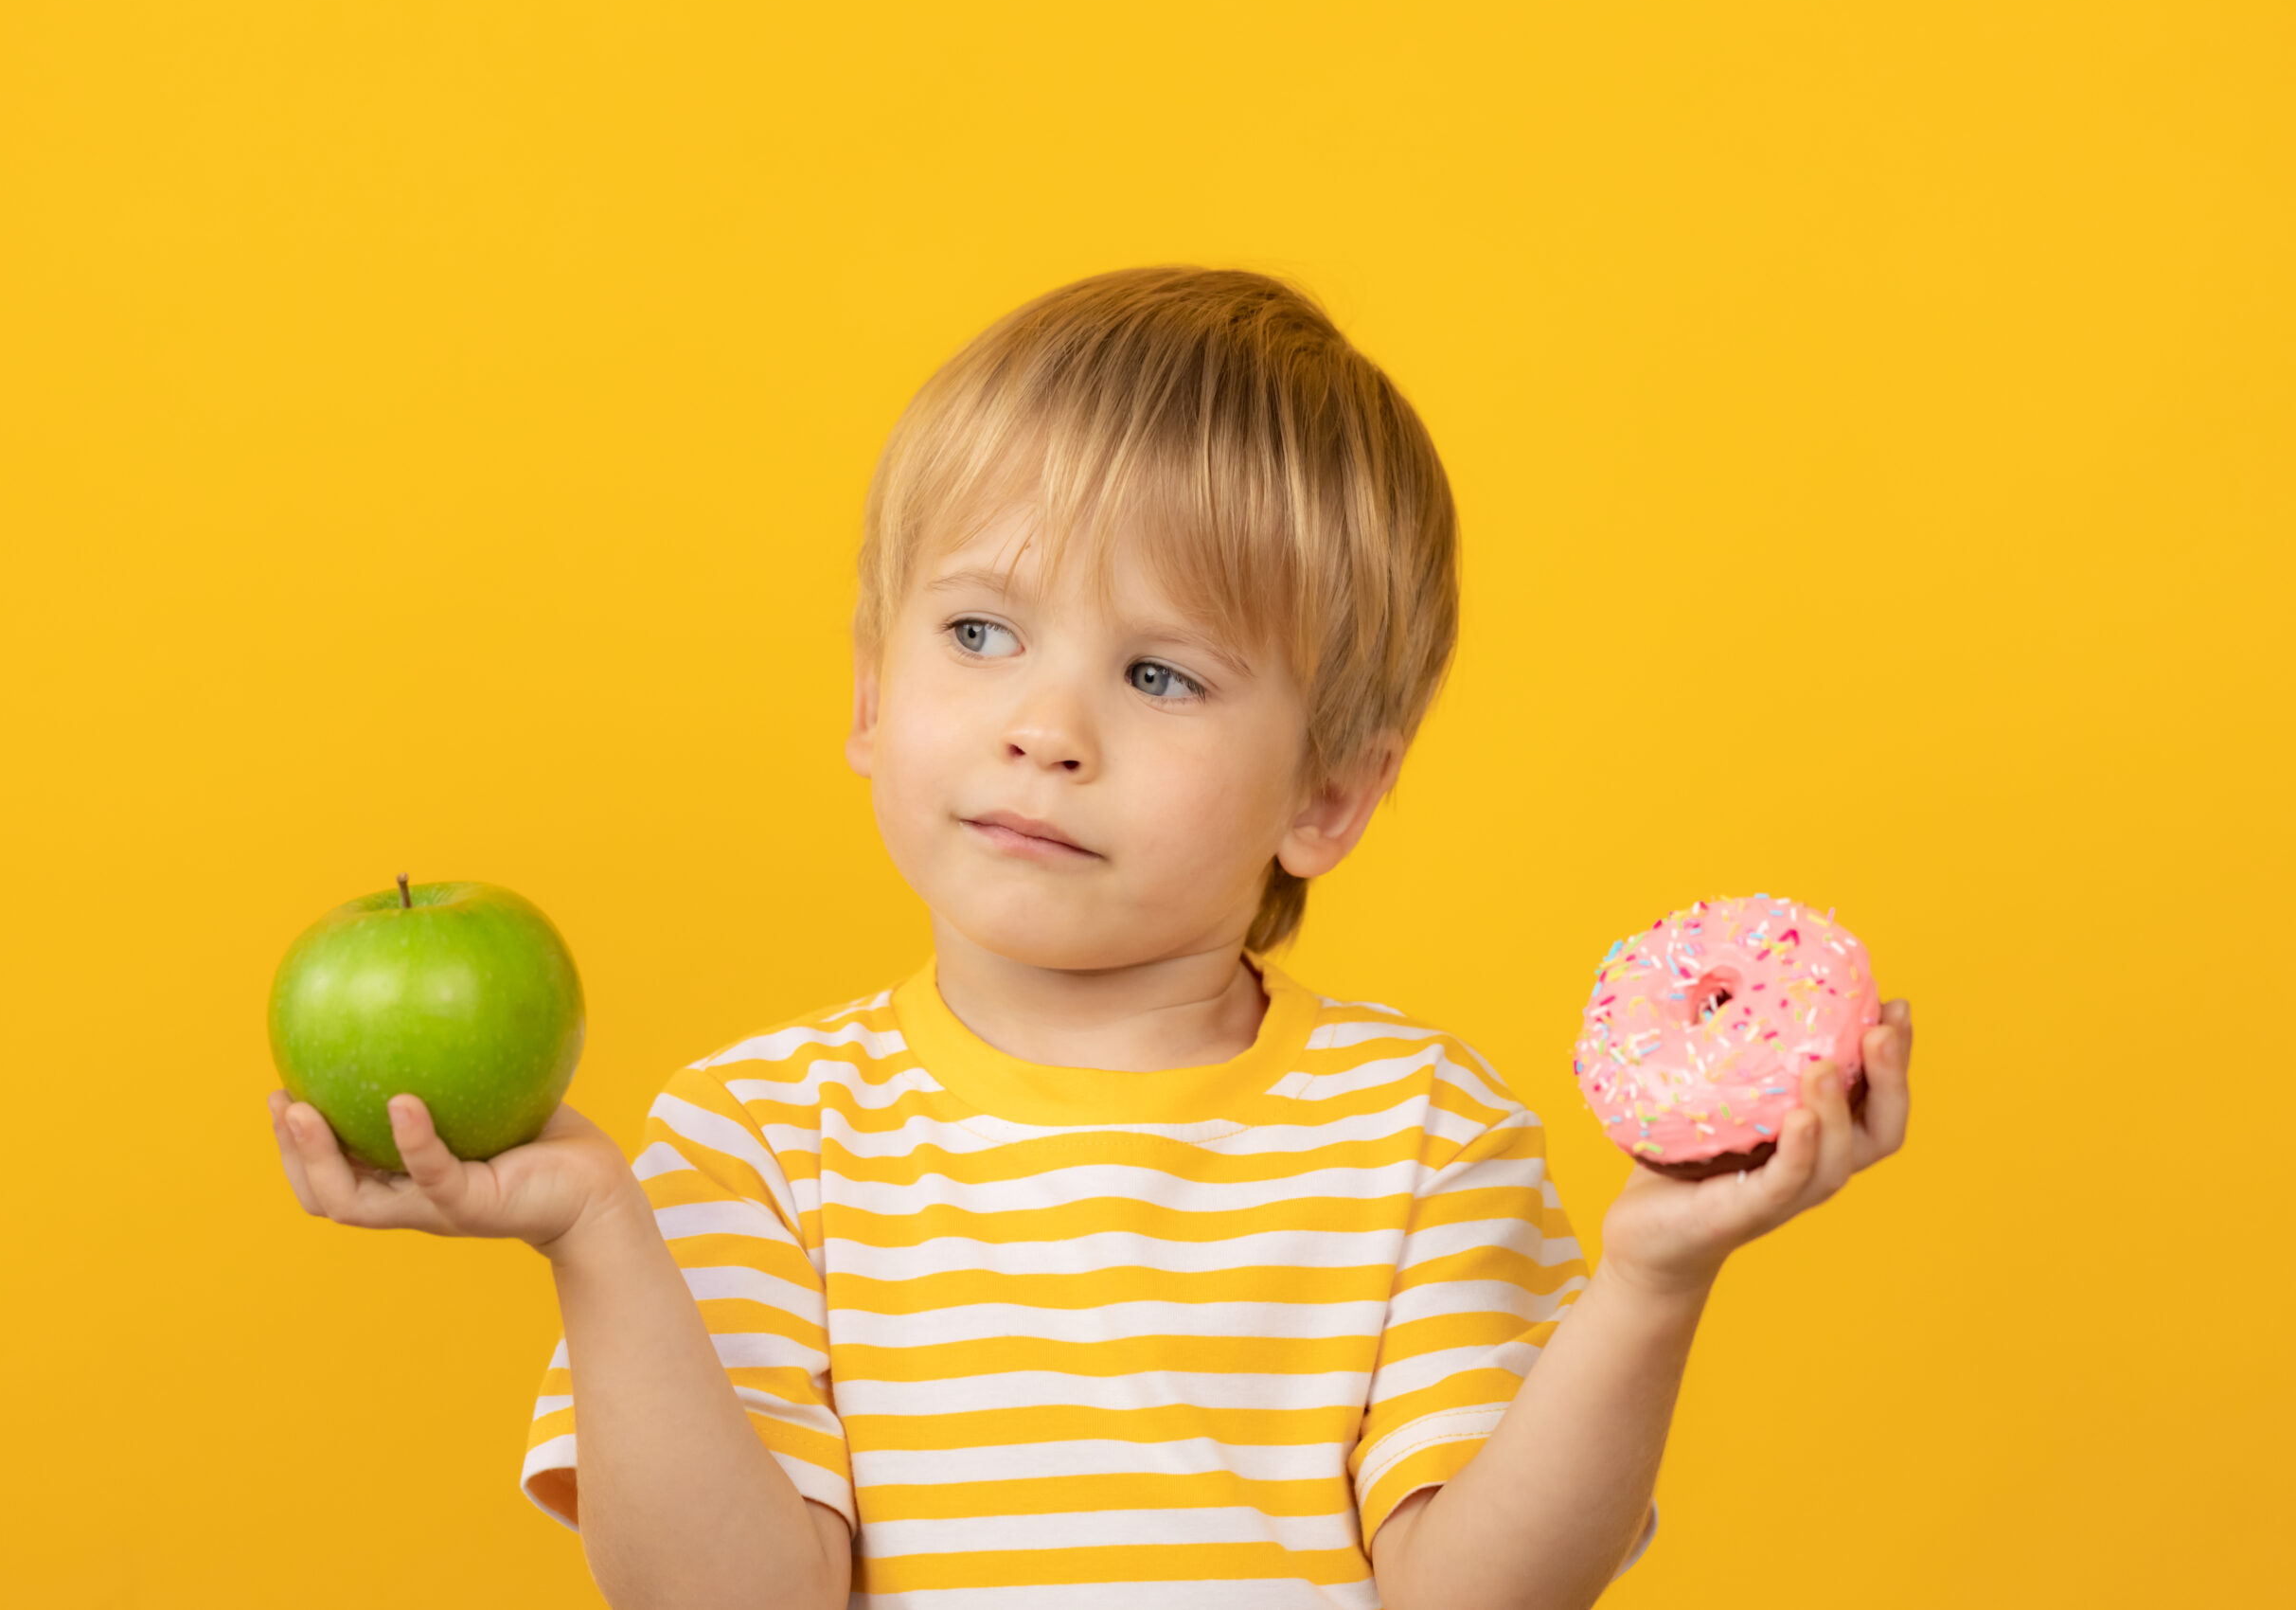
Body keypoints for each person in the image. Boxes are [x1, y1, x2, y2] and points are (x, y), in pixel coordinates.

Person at [268, 267, 1914, 1610]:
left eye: (1160, 675)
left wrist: (1648, 1282)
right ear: (864, 691)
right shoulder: (752, 1141)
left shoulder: (1423, 1132)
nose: (1045, 728)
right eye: (980, 632)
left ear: (1329, 796)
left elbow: (1474, 1601)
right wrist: (596, 1236)